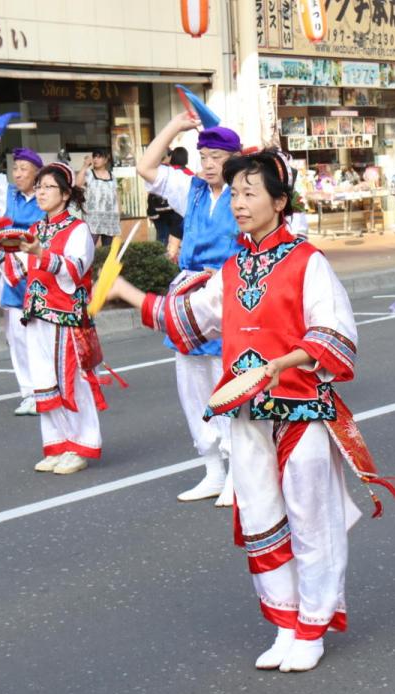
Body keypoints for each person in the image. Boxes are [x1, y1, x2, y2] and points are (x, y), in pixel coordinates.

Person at [107, 151, 395, 672]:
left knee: (311, 519)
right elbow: (187, 317)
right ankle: (286, 622)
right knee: (262, 517)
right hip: (244, 413)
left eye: (249, 194)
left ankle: (313, 625)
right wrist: (123, 290)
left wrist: (287, 360)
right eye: (235, 194)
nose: (238, 204)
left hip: (301, 409)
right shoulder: (232, 268)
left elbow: (335, 333)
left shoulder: (308, 262)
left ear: (279, 202)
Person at [137, 114, 238, 505]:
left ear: (234, 158)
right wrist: (175, 126)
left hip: (226, 294)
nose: (208, 163)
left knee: (225, 385)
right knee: (191, 386)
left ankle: (237, 471)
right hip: (188, 295)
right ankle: (212, 469)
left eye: (216, 156)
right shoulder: (191, 189)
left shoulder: (246, 193)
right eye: (204, 155)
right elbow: (146, 167)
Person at [0, 162, 102, 474]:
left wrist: (41, 253)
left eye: (49, 187)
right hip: (36, 317)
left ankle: (81, 445)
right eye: (40, 186)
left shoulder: (78, 230)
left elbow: (75, 269)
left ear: (65, 194)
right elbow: (16, 272)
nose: (42, 192)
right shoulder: (36, 230)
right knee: (44, 382)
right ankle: (57, 444)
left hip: (66, 320)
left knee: (70, 381)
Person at [0, 113, 47, 417]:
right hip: (12, 270)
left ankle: (49, 387)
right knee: (16, 334)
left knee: (42, 334)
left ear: (38, 174)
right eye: (15, 168)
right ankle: (29, 392)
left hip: (40, 270)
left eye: (24, 169)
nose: (17, 174)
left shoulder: (47, 196)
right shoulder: (7, 195)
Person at [75, 147, 121, 247]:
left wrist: (119, 214)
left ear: (106, 159)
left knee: (107, 249)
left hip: (110, 218)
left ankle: (105, 263)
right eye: (94, 157)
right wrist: (85, 166)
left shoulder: (112, 176)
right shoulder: (88, 173)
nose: (95, 159)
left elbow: (116, 195)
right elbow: (78, 184)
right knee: (89, 247)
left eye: (99, 157)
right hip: (92, 218)